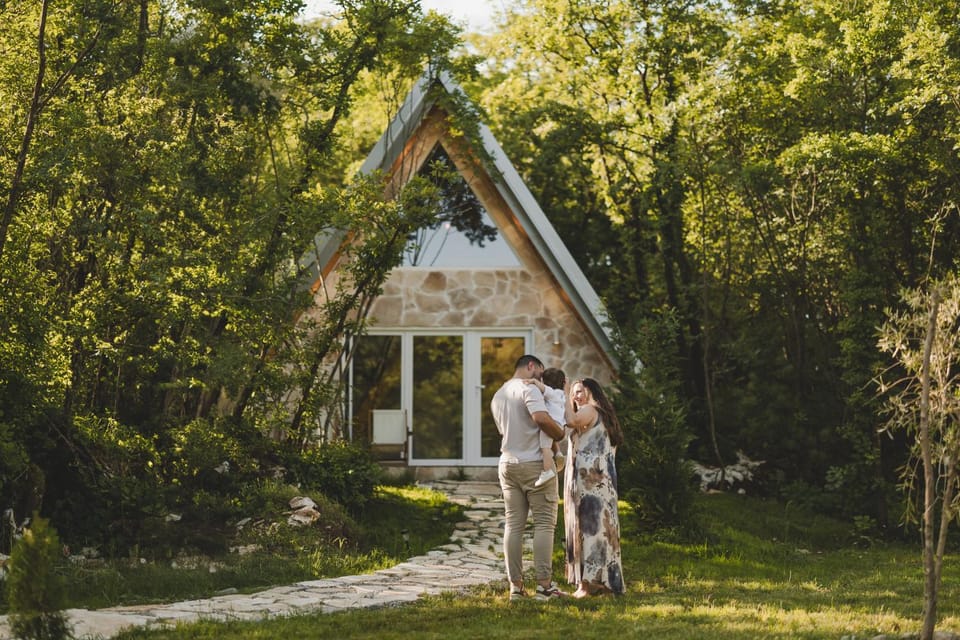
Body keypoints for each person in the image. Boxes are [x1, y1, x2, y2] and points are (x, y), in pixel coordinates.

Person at [490, 354, 567, 601]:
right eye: (540, 373)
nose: (541, 379)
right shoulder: (528, 388)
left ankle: (516, 587)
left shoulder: (498, 395)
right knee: (544, 524)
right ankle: (544, 586)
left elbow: (503, 431)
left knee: (513, 525)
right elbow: (541, 418)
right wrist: (560, 433)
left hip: (507, 464)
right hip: (535, 464)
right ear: (531, 366)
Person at [563, 377, 626, 598]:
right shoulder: (605, 416)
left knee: (588, 530)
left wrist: (561, 393)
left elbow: (570, 421)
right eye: (573, 393)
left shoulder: (589, 410)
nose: (574, 396)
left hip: (590, 482)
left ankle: (587, 586)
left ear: (591, 392)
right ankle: (605, 585)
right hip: (603, 483)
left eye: (579, 391)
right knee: (603, 530)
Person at [534, 368, 567, 488]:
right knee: (551, 441)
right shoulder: (563, 394)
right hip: (558, 424)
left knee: (545, 447)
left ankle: (547, 471)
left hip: (550, 422)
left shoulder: (552, 392)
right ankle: (558, 454)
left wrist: (533, 382)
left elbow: (543, 388)